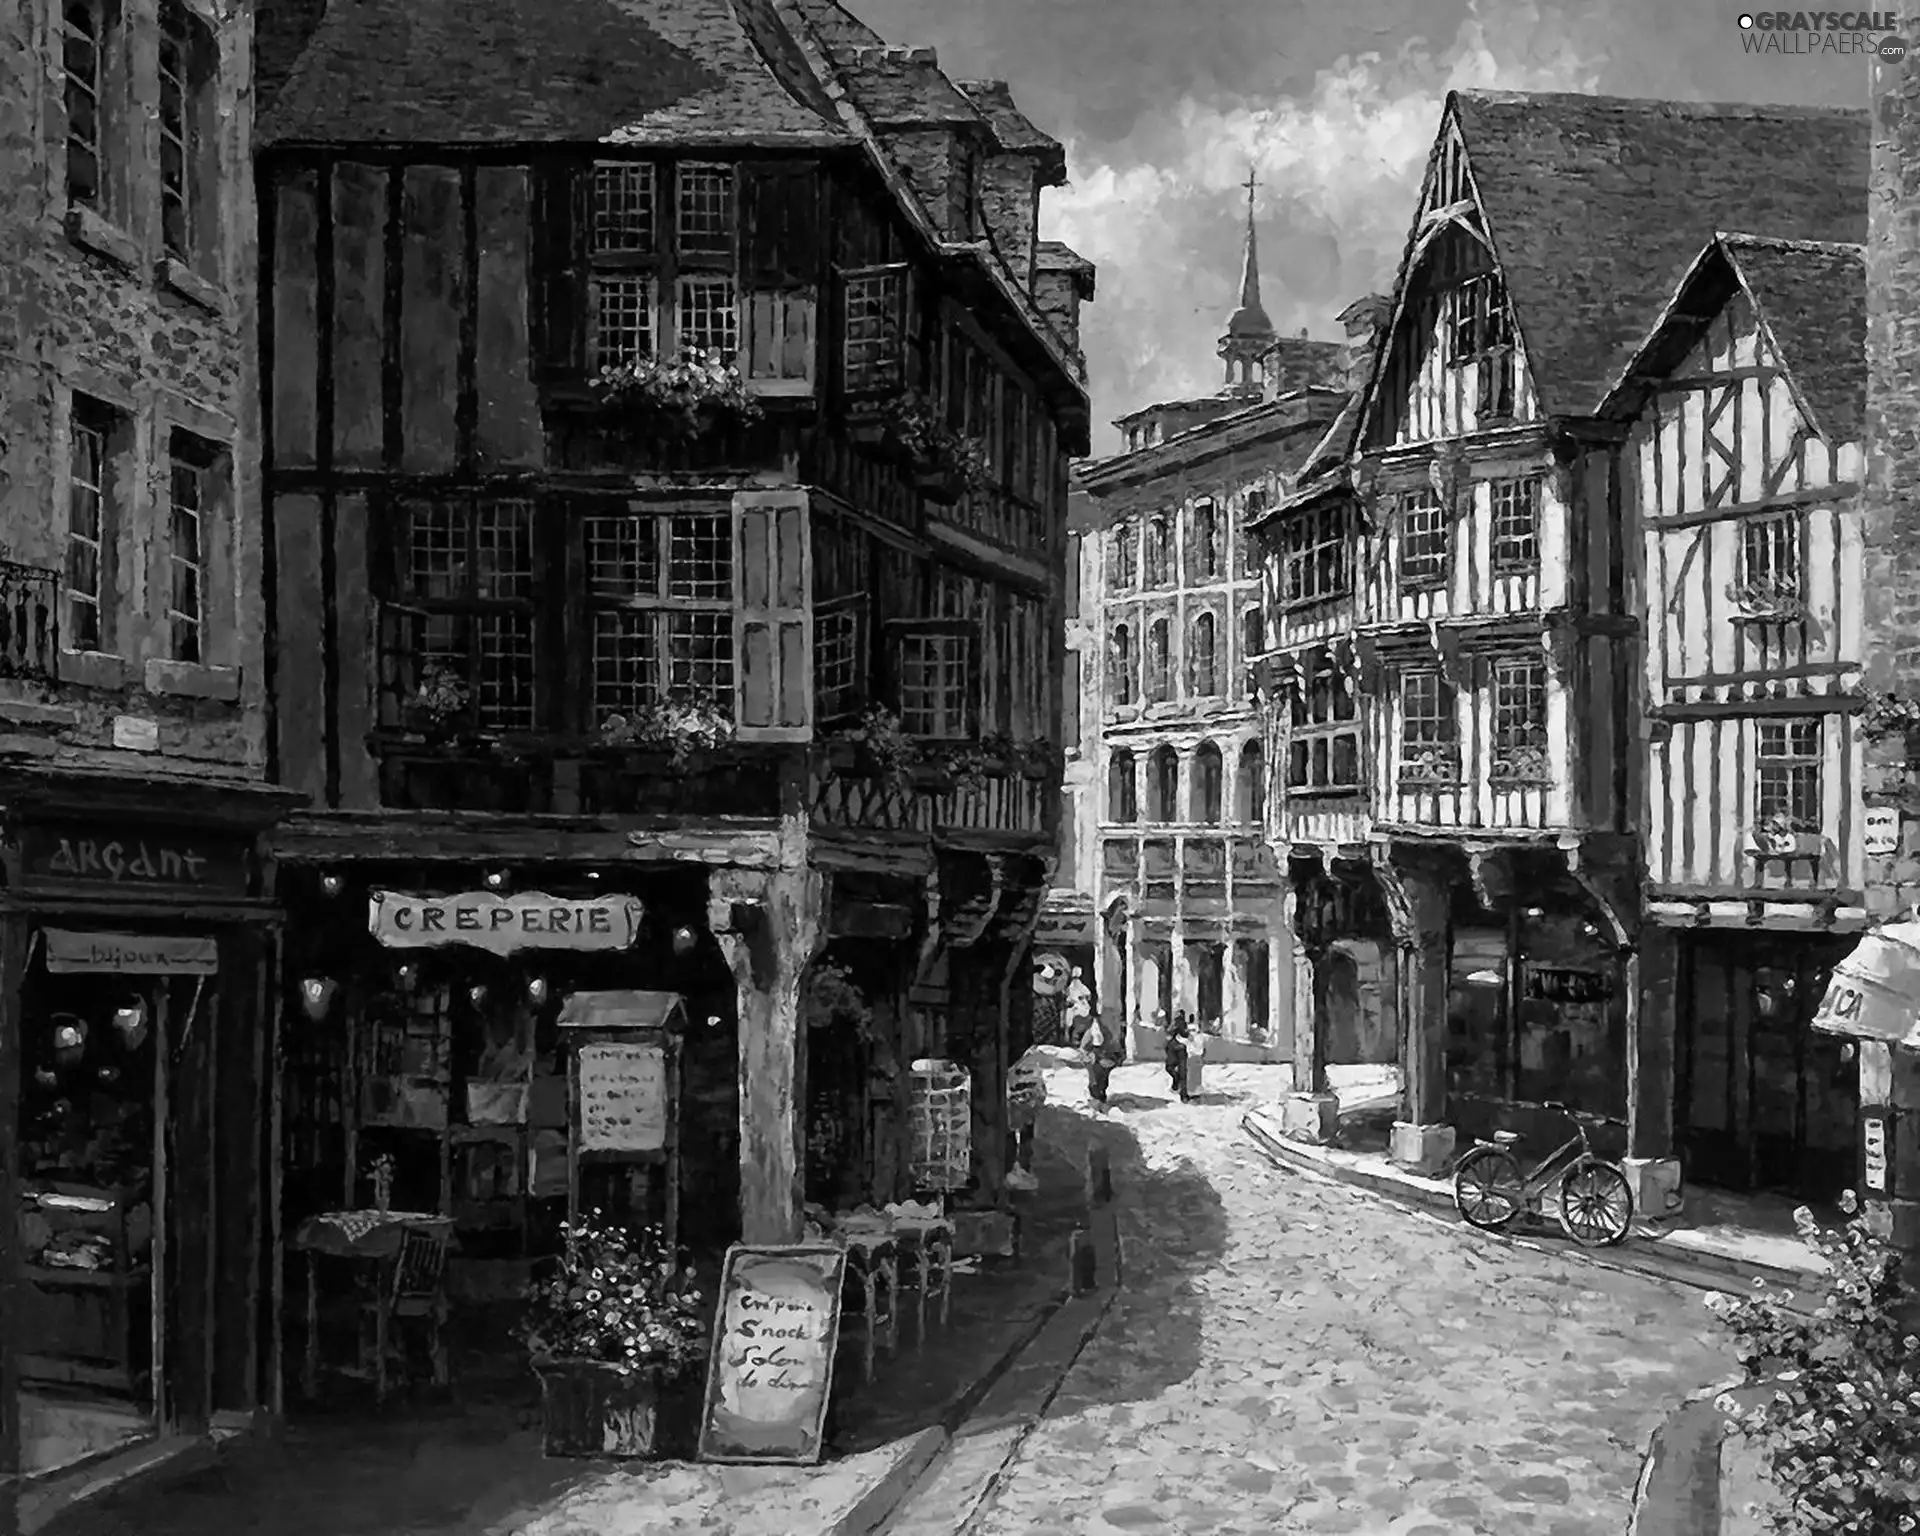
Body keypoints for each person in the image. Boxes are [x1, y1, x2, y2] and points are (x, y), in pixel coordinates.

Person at [1078, 1011, 1123, 1112]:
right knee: (1096, 1080)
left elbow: (1112, 1046)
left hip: (1102, 1057)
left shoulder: (1106, 1029)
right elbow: (1083, 1047)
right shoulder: (1093, 1030)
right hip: (1096, 1057)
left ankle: (1099, 1099)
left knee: (1101, 1080)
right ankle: (1097, 1099)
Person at [1164, 1011, 1193, 1102]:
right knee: (1180, 1071)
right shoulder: (1177, 1025)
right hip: (1178, 1049)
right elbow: (1185, 1034)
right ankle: (1182, 1092)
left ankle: (1182, 1092)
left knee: (1175, 1069)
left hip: (1177, 1049)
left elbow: (1182, 1034)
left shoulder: (1177, 1024)